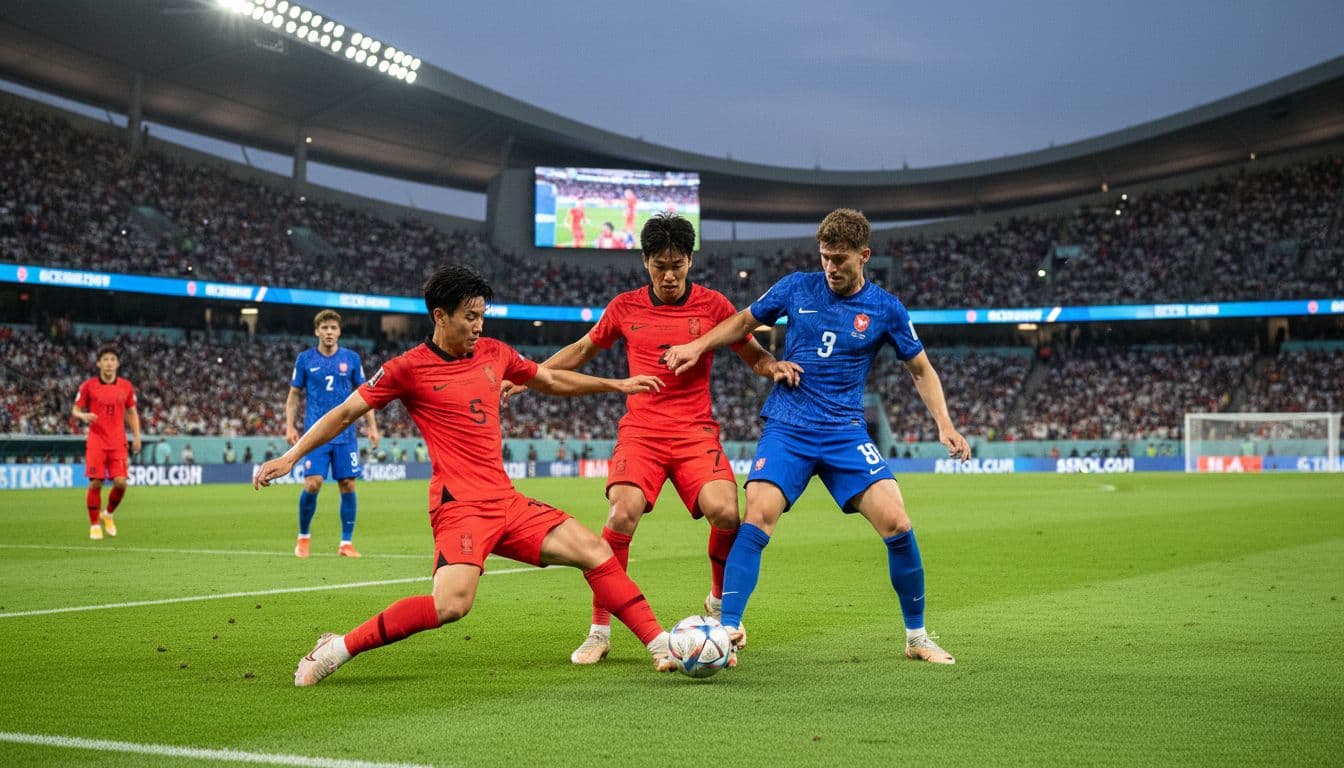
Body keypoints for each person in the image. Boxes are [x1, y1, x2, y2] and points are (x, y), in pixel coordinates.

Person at [254, 264, 678, 686]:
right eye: (469, 317)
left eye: (482, 317)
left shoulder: (496, 352)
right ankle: (336, 648)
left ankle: (662, 646)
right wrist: (291, 457)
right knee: (451, 605)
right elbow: (347, 411)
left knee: (595, 551)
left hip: (507, 502)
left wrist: (616, 385)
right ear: (440, 316)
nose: (478, 326)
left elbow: (549, 379)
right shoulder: (407, 368)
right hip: (460, 507)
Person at [664, 208, 971, 666]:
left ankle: (917, 637)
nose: (830, 266)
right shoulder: (795, 287)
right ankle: (728, 628)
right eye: (825, 257)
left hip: (845, 431)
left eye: (840, 259)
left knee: (898, 524)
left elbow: (921, 369)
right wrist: (697, 344)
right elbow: (743, 322)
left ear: (864, 256)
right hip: (788, 424)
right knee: (758, 517)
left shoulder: (886, 308)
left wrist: (945, 425)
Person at [504, 212, 800, 665]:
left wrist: (772, 367)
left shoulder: (713, 306)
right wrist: (530, 376)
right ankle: (599, 630)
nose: (668, 274)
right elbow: (584, 350)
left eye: (677, 264)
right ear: (644, 262)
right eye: (659, 264)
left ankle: (719, 606)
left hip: (695, 431)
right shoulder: (624, 307)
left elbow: (751, 353)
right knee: (621, 516)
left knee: (726, 512)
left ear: (690, 260)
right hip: (641, 432)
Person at [285, 310, 381, 558]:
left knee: (348, 485)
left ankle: (346, 543)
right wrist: (290, 425)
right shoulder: (305, 359)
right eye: (324, 328)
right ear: (317, 331)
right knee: (313, 482)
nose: (329, 332)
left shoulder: (351, 359)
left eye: (333, 328)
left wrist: (372, 426)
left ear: (339, 332)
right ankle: (303, 538)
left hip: (346, 434)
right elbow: (294, 395)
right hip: (315, 434)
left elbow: (365, 393)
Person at [72, 344, 141, 540]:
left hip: (118, 442)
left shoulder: (126, 386)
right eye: (105, 360)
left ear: (117, 364)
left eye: (112, 360)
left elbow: (132, 412)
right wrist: (83, 416)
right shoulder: (88, 386)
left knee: (121, 483)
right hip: (96, 441)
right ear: (98, 363)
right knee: (96, 483)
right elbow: (75, 409)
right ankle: (94, 524)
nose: (109, 363)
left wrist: (136, 436)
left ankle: (108, 514)